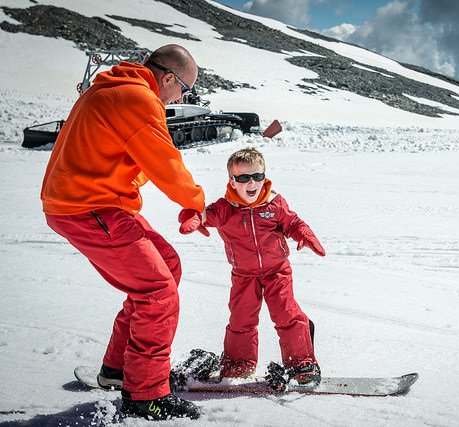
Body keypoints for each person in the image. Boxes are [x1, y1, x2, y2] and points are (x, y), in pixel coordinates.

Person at [41, 44, 205, 420]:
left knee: (167, 265)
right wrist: (195, 201)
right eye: (185, 89)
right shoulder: (138, 98)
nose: (184, 97)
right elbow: (166, 163)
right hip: (87, 206)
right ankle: (145, 393)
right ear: (168, 78)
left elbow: (138, 160)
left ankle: (117, 370)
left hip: (96, 201)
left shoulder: (113, 88)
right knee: (158, 291)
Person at [178, 147, 325, 384]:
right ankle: (239, 363)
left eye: (257, 176)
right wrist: (195, 217)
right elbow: (207, 215)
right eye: (244, 177)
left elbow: (292, 222)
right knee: (241, 318)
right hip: (244, 274)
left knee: (286, 313)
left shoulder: (274, 203)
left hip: (277, 270)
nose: (252, 183)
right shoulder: (225, 208)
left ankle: (301, 362)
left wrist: (303, 233)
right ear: (232, 181)